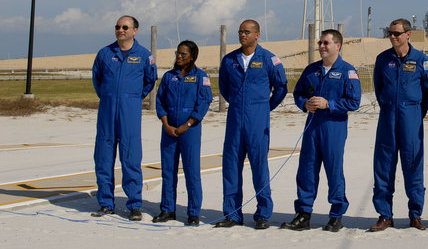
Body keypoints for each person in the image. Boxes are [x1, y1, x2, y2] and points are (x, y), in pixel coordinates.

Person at [281, 29, 361, 233]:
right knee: (307, 169)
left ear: (338, 46)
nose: (322, 47)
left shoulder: (347, 71)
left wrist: (329, 104)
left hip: (333, 127)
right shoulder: (311, 70)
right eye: (320, 43)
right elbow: (298, 93)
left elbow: (354, 101)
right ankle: (303, 214)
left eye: (326, 43)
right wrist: (304, 104)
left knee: (334, 171)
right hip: (312, 126)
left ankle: (336, 215)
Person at [215, 19, 288, 229]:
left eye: (247, 32)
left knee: (259, 166)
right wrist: (239, 104)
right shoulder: (230, 60)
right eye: (240, 32)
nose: (242, 35)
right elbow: (224, 87)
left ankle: (263, 214)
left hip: (258, 118)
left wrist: (265, 107)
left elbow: (281, 87)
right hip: (235, 118)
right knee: (231, 166)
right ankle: (232, 214)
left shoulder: (268, 59)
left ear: (257, 35)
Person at [369, 18, 428, 231]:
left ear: (408, 34)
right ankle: (384, 215)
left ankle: (415, 215)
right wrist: (389, 106)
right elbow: (379, 88)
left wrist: (416, 112)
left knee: (413, 165)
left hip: (411, 119)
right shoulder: (382, 59)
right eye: (390, 33)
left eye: (397, 33)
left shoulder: (421, 60)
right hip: (387, 118)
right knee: (383, 166)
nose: (393, 37)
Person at [91, 15, 157, 221]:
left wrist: (133, 97)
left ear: (135, 30)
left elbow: (150, 80)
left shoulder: (145, 55)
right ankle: (106, 203)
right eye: (118, 27)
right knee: (103, 158)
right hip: (107, 110)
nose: (121, 30)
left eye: (125, 27)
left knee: (131, 158)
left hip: (130, 110)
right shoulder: (104, 53)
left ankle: (135, 205)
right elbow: (97, 79)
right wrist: (109, 96)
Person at [153, 40, 213, 226]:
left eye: (183, 54)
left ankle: (193, 213)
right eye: (177, 53)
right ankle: (167, 209)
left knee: (191, 171)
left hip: (190, 130)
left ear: (192, 57)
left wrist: (188, 124)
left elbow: (204, 102)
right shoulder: (168, 76)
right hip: (169, 130)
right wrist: (165, 123)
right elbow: (160, 101)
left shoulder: (201, 77)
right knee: (168, 171)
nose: (179, 57)